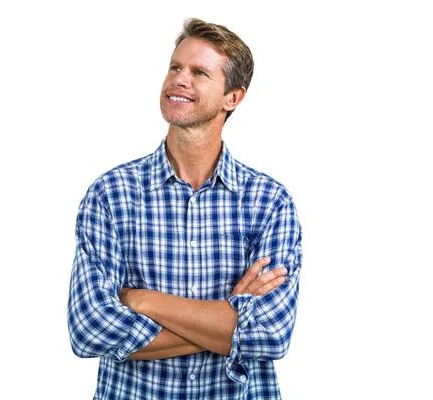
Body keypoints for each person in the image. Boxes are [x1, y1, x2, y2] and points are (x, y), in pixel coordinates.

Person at [67, 17, 303, 399]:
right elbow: (89, 328)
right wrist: (228, 321)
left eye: (199, 72)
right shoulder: (111, 195)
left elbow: (272, 333)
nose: (179, 78)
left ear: (233, 97)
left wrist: (142, 300)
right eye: (175, 67)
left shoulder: (268, 202)